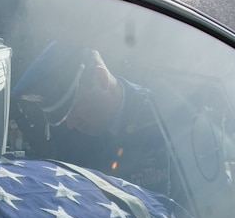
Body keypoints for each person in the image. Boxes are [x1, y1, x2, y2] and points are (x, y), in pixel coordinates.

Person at [12, 41, 172, 196]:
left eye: (74, 108)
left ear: (102, 79)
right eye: (60, 116)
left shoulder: (162, 119)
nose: (71, 124)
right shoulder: (68, 133)